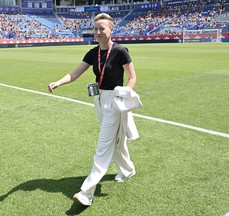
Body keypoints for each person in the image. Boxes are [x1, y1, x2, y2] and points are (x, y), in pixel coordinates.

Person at [48, 13, 140, 206]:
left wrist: (125, 94)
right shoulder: (92, 53)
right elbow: (74, 74)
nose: (98, 32)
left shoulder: (121, 51)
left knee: (103, 146)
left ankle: (86, 192)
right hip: (99, 100)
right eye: (95, 29)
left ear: (111, 30)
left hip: (115, 101)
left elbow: (132, 77)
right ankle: (128, 169)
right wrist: (59, 82)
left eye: (102, 29)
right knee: (116, 142)